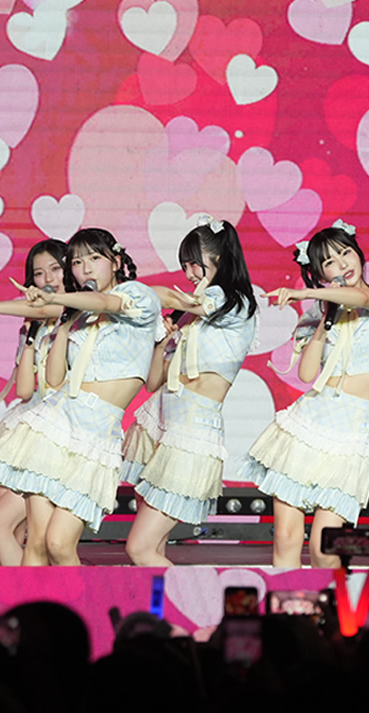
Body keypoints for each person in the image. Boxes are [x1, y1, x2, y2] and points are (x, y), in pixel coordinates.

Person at [0, 229, 162, 565]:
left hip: (97, 432)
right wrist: (64, 323)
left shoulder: (138, 296)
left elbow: (106, 302)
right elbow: (56, 378)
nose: (85, 269)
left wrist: (61, 302)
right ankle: (28, 600)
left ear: (116, 262)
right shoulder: (78, 314)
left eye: (94, 259)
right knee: (38, 544)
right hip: (56, 424)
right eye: (77, 263)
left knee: (59, 544)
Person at [243, 220, 369, 568]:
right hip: (310, 423)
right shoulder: (323, 310)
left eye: (346, 253)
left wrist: (308, 294)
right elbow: (307, 373)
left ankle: (332, 604)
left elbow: (362, 298)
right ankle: (285, 602)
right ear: (320, 274)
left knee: (325, 548)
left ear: (359, 254)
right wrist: (323, 318)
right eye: (330, 262)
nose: (342, 264)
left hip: (352, 431)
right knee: (285, 537)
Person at [121, 215, 259, 566]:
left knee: (139, 549)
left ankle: (198, 601)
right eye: (184, 266)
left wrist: (125, 293)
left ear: (220, 259)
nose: (189, 273)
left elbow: (175, 297)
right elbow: (153, 382)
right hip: (160, 421)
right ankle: (160, 603)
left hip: (191, 431)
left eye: (194, 263)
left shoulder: (233, 301)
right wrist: (162, 340)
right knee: (152, 550)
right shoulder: (189, 314)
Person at [0, 238, 74, 565]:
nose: (47, 279)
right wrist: (31, 336)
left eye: (55, 269)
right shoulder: (31, 324)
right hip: (29, 425)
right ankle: (16, 589)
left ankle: (29, 589)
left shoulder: (79, 316)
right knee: (14, 532)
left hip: (62, 433)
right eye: (38, 273)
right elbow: (23, 390)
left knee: (0, 526)